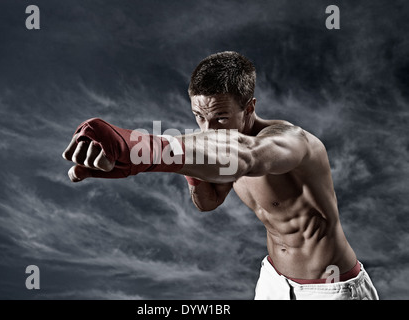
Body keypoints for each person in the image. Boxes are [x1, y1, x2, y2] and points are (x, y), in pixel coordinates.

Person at [62, 51, 379, 300]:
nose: (208, 130)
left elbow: (246, 156)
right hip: (273, 282)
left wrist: (135, 149)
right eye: (199, 117)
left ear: (249, 107)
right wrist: (181, 166)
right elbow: (209, 201)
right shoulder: (211, 144)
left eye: (221, 118)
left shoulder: (291, 142)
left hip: (331, 289)